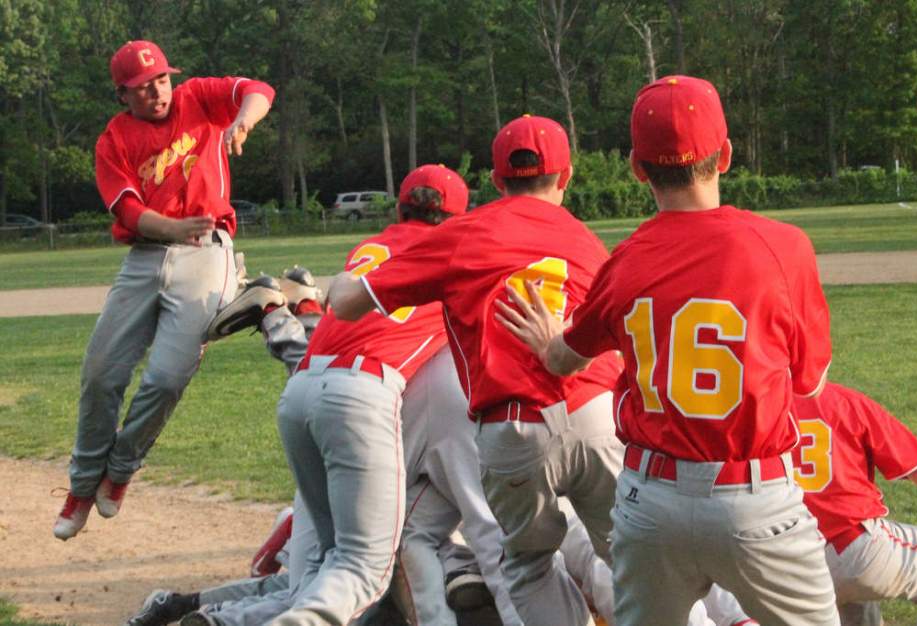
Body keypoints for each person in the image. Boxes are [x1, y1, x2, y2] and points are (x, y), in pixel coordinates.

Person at [497, 76, 838, 625]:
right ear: (724, 154)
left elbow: (565, 359)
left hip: (651, 501)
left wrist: (546, 341)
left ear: (637, 167)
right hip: (753, 494)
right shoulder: (783, 245)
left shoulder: (627, 259)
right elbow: (810, 381)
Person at [328, 114, 625, 626]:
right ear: (567, 176)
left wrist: (338, 281)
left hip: (513, 427)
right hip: (598, 409)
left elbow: (350, 303)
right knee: (631, 559)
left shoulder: (467, 233)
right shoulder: (587, 242)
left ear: (494, 181)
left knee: (529, 567)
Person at [54, 40, 274, 541]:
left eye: (160, 79)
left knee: (167, 377)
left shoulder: (198, 99)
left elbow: (258, 90)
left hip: (207, 250)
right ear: (122, 96)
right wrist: (172, 230)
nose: (156, 92)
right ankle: (83, 486)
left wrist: (243, 122)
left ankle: (121, 469)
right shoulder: (115, 139)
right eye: (141, 87)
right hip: (146, 254)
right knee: (101, 373)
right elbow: (127, 210)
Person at [268, 165, 470, 626]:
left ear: (400, 207)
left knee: (329, 559)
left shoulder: (369, 247)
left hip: (300, 390)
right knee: (365, 568)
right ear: (456, 219)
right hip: (359, 395)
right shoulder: (453, 253)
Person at [792, 382, 917, 626]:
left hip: (785, 561)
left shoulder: (755, 409)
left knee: (857, 606)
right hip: (856, 548)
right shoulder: (845, 402)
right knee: (857, 581)